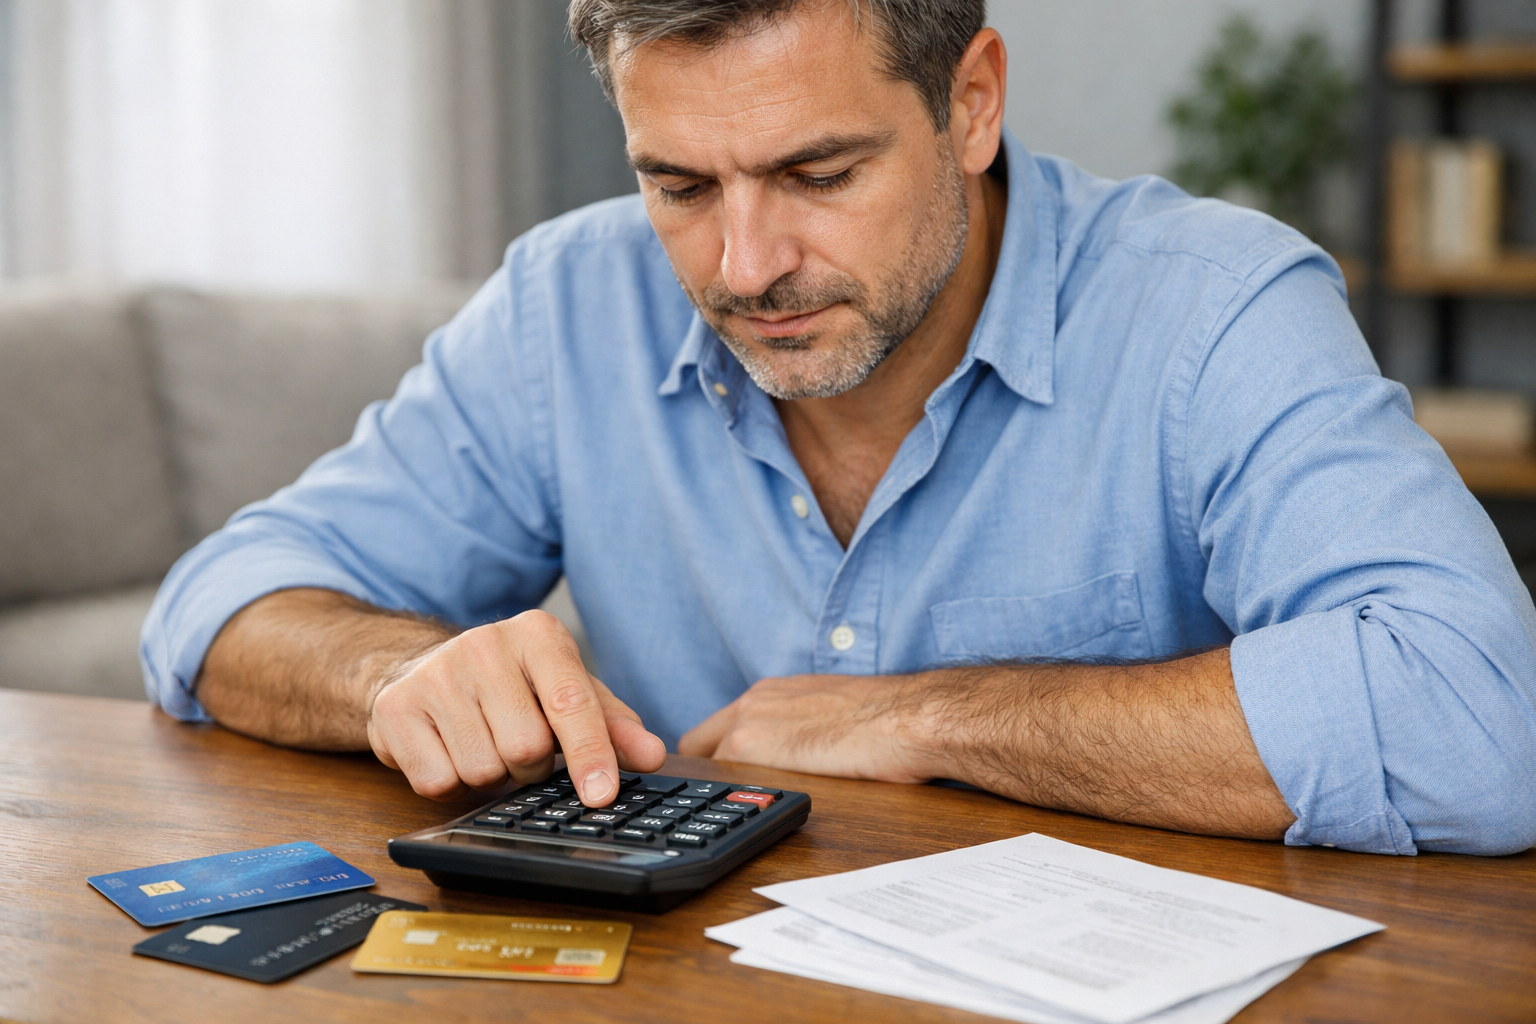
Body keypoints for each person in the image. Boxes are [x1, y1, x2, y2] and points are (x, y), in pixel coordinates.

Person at [142, 0, 1536, 856]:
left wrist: (929, 717)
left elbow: (1481, 719)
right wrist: (398, 672)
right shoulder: (568, 301)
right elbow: (214, 610)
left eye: (819, 170)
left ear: (971, 103)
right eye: (679, 183)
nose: (745, 263)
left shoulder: (1213, 306)